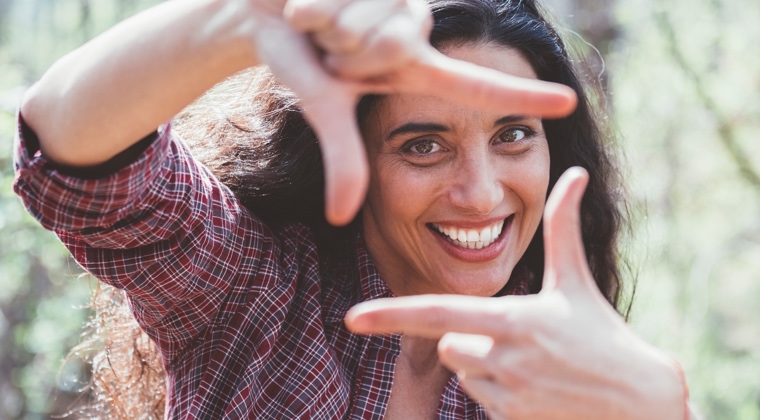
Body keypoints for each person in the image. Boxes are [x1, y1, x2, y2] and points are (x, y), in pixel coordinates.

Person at [12, 0, 698, 418]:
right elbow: (75, 156)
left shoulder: (559, 357)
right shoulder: (256, 291)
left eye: (513, 134)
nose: (483, 192)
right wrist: (247, 19)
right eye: (423, 145)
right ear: (353, 156)